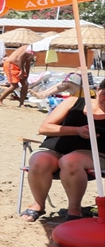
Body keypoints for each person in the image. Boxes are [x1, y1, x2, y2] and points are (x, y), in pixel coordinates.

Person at [20, 90, 105, 221]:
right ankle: (38, 204)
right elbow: (44, 128)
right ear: (98, 90)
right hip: (54, 148)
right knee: (39, 161)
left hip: (92, 154)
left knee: (70, 161)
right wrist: (77, 130)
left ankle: (74, 210)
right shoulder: (74, 102)